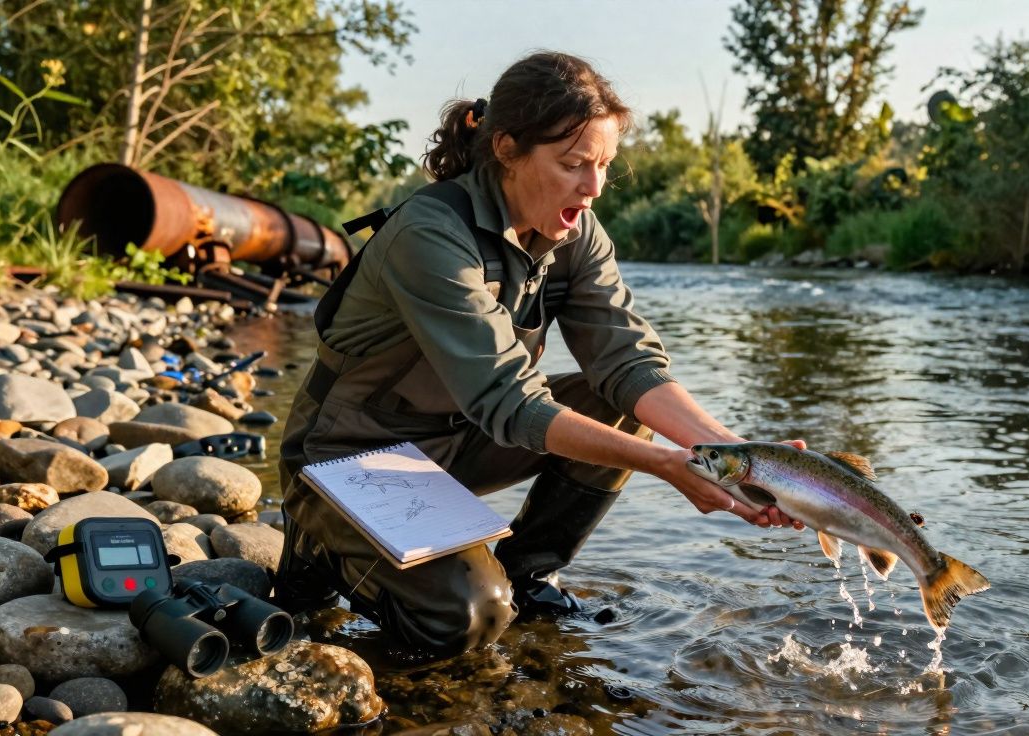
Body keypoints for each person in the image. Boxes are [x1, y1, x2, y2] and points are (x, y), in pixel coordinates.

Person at [276, 51, 801, 662]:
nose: (594, 186)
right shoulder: (430, 235)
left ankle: (530, 574)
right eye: (574, 164)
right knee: (468, 618)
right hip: (348, 458)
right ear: (506, 149)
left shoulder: (576, 232)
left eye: (604, 165)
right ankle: (318, 542)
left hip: (454, 446)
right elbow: (510, 400)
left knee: (616, 402)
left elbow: (628, 365)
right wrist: (667, 466)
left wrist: (741, 462)